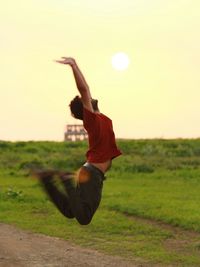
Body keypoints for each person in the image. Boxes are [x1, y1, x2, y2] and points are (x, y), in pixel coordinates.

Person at [35, 57, 122, 225]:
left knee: (70, 211)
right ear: (85, 106)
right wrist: (74, 66)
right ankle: (66, 180)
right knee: (84, 218)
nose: (91, 97)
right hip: (92, 174)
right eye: (87, 99)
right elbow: (84, 89)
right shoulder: (93, 121)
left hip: (90, 172)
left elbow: (86, 91)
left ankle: (47, 181)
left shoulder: (101, 118)